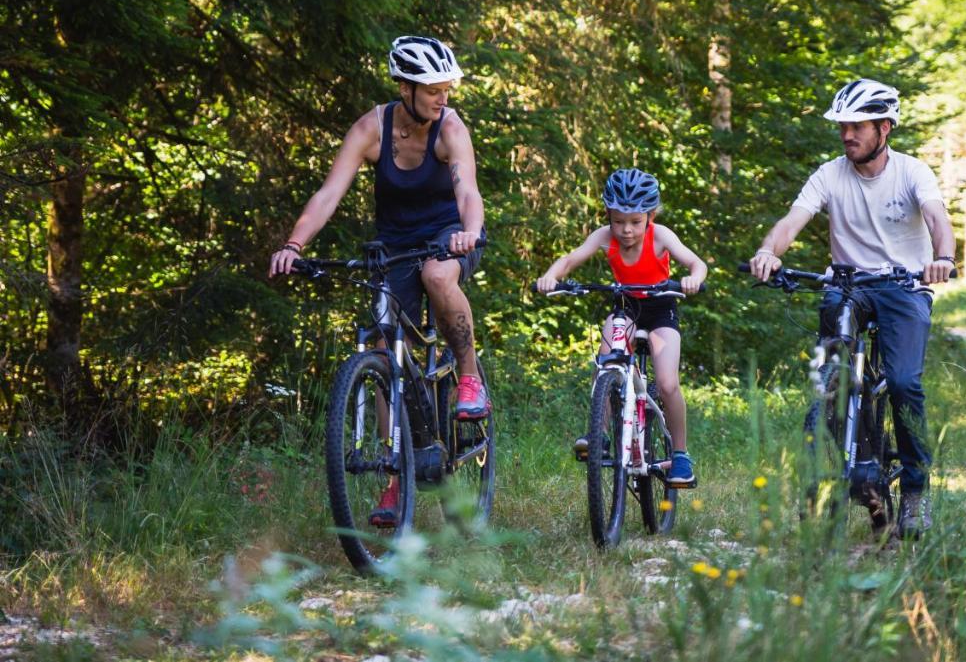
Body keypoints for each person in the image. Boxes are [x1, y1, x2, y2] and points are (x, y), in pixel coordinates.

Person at [269, 36, 488, 525]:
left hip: (448, 237)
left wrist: (470, 234)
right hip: (394, 245)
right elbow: (329, 194)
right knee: (388, 349)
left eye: (447, 87)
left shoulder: (451, 128)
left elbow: (468, 191)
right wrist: (294, 245)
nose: (443, 97)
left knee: (437, 276)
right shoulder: (372, 129)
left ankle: (469, 375)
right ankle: (395, 483)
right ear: (405, 87)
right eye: (433, 88)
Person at [746, 78, 955, 534]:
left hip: (905, 286)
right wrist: (770, 252)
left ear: (885, 128)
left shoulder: (912, 171)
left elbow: (939, 219)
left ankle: (916, 491)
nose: (847, 135)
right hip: (847, 285)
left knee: (903, 383)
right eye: (843, 126)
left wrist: (942, 259)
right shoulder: (829, 174)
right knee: (834, 378)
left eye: (858, 126)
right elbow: (792, 221)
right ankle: (856, 456)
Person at [536, 169, 707, 488]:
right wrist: (551, 276)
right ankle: (598, 434)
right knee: (606, 362)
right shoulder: (604, 236)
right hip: (625, 307)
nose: (626, 230)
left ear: (650, 216)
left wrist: (693, 278)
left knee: (668, 383)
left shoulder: (661, 236)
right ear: (608, 216)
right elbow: (571, 260)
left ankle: (681, 455)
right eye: (618, 221)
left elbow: (696, 263)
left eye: (634, 222)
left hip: (660, 308)